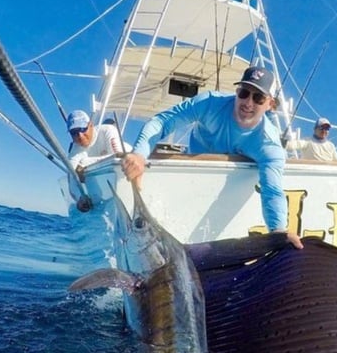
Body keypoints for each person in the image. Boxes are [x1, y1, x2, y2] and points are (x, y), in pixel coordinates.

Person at [121, 66, 304, 249]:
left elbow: (272, 191)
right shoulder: (209, 103)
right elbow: (162, 122)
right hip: (191, 180)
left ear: (270, 104)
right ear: (237, 92)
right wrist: (139, 154)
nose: (248, 102)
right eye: (244, 93)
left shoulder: (270, 146)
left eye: (258, 98)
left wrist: (278, 232)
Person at [67, 110, 130, 181]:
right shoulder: (75, 148)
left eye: (83, 129)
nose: (80, 136)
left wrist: (84, 163)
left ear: (91, 125)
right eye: (74, 132)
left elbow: (118, 159)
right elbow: (70, 173)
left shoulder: (108, 130)